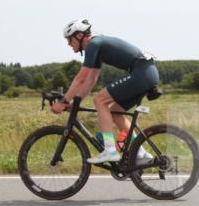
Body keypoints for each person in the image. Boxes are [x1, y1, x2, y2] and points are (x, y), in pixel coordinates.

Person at [51, 18, 158, 163]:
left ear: (79, 36)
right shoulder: (96, 46)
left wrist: (64, 101)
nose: (69, 44)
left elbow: (80, 78)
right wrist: (76, 101)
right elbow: (90, 80)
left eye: (70, 40)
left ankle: (110, 150)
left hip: (142, 73)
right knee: (115, 112)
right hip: (146, 73)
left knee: (99, 100)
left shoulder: (93, 44)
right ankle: (141, 153)